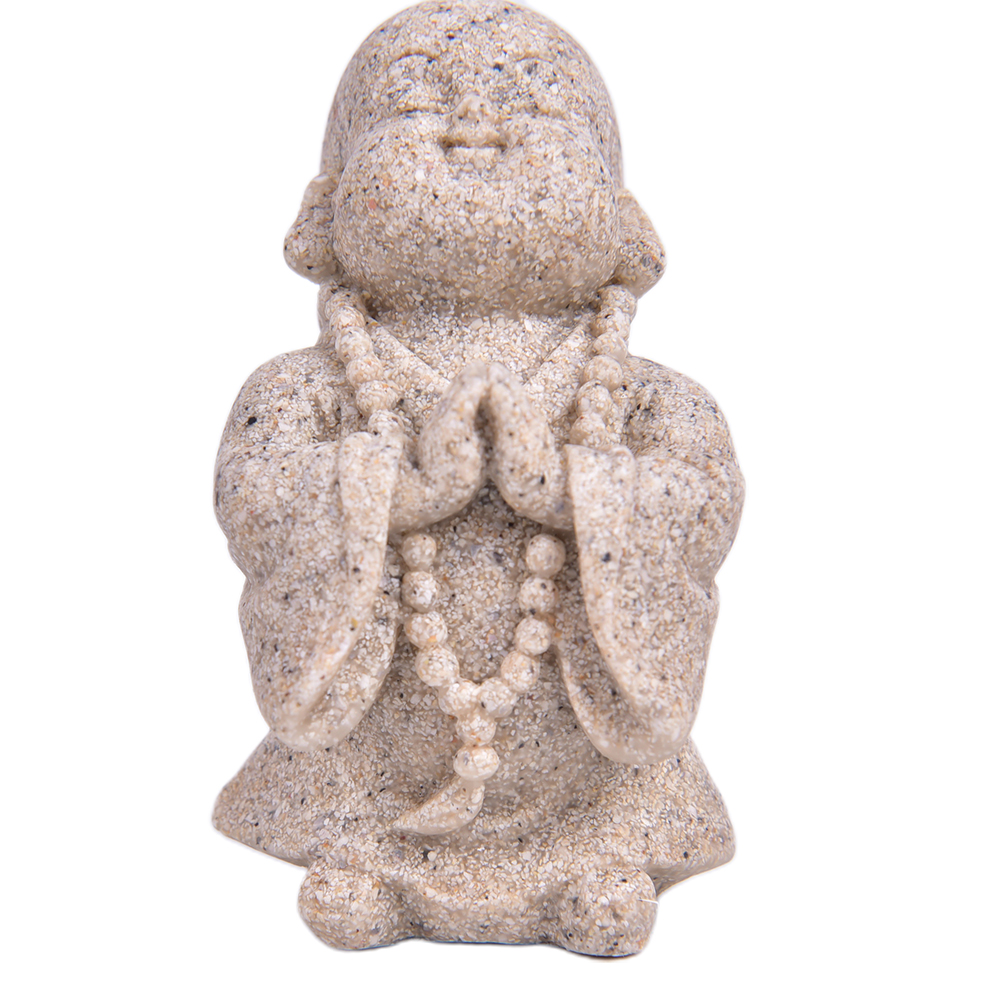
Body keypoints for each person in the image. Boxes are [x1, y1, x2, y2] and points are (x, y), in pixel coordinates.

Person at [213, 1, 743, 956]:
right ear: (327, 207)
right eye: (415, 100)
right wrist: (393, 489)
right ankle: (368, 851)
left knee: (612, 820)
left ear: (622, 218)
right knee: (342, 798)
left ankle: (592, 854)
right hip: (367, 765)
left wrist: (573, 492)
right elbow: (256, 494)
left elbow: (703, 502)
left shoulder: (650, 397)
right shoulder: (303, 388)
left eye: (537, 106)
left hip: (589, 775)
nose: (475, 123)